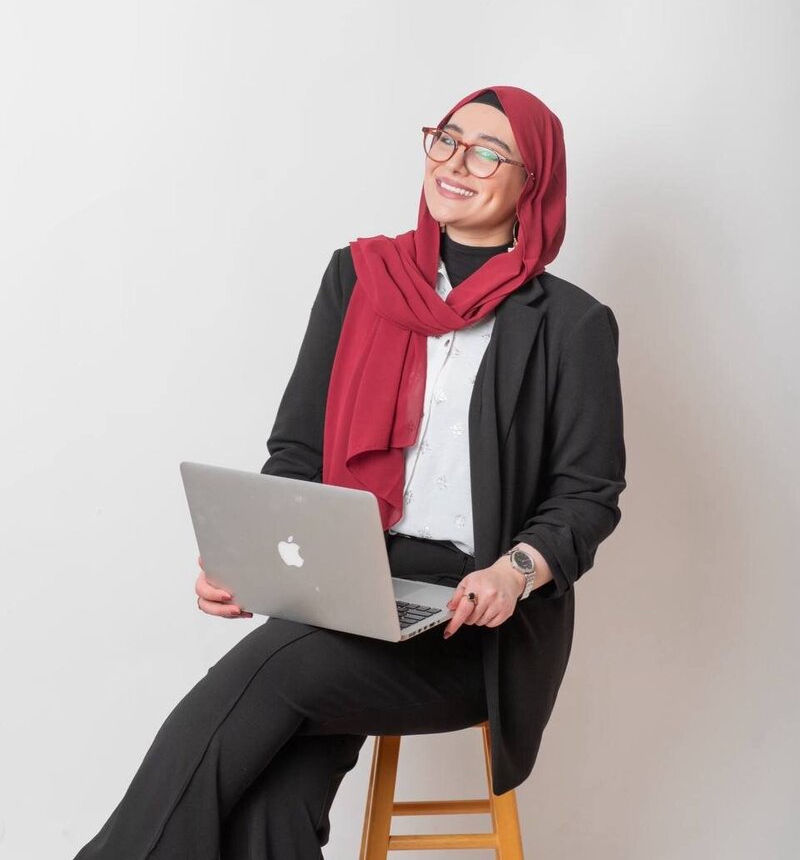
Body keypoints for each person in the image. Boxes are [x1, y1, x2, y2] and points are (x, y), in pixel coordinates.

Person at [72, 85, 626, 859]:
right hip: (350, 582)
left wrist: (514, 572)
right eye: (446, 139)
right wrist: (252, 562)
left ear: (533, 184)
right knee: (276, 792)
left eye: (487, 152)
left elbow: (587, 497)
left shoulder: (569, 325)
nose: (457, 163)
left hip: (473, 621)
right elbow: (298, 449)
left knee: (277, 673)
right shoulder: (360, 278)